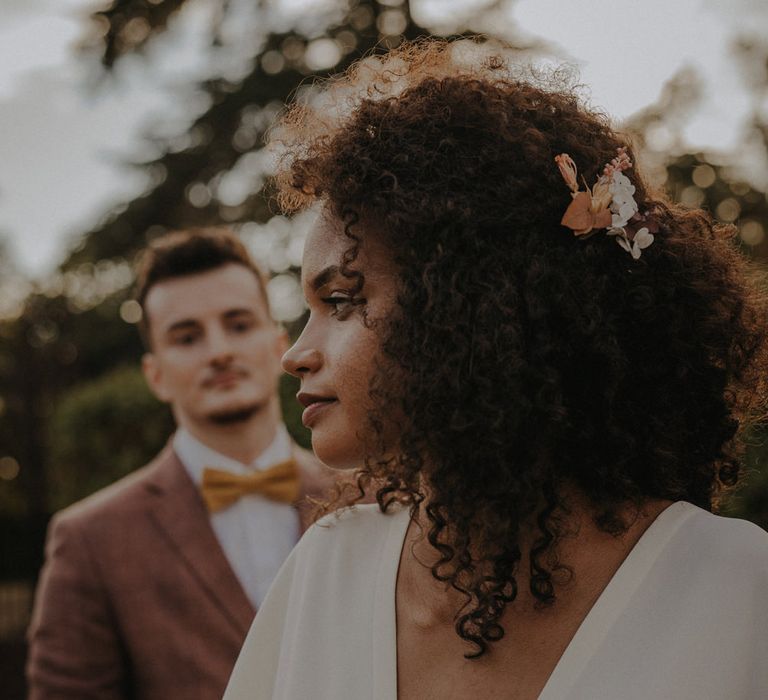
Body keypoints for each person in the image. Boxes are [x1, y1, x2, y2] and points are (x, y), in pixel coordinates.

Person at [224, 39, 768, 700]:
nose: (294, 353)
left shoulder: (741, 592)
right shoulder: (326, 572)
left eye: (342, 301)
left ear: (472, 304)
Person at [27, 229, 334, 700]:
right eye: (187, 336)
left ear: (278, 348)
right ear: (156, 375)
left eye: (238, 324)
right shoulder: (89, 541)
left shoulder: (372, 496)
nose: (218, 351)